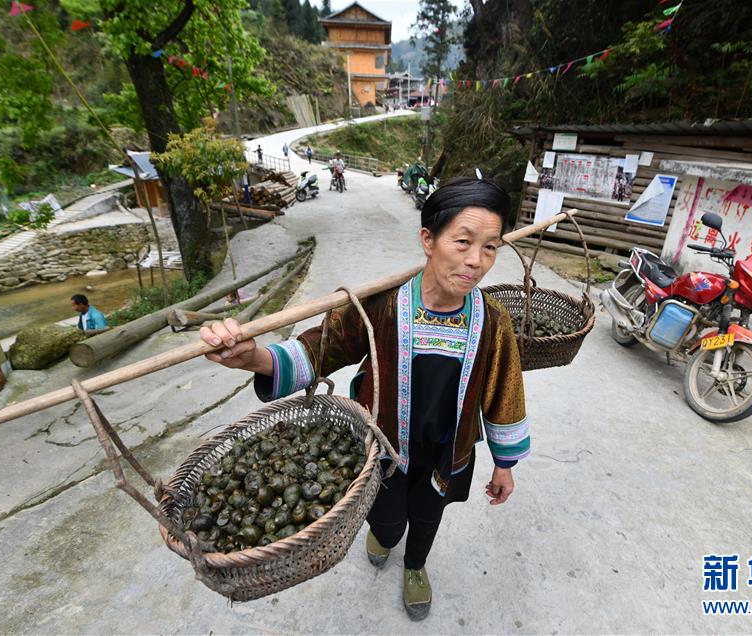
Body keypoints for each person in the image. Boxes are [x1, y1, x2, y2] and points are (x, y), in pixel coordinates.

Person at [200, 176, 528, 621]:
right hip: (384, 449)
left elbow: (504, 392)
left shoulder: (493, 321)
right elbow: (320, 348)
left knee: (428, 518)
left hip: (446, 454)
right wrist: (253, 357)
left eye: (490, 247)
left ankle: (415, 566)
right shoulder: (381, 305)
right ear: (428, 240)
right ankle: (388, 537)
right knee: (386, 521)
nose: (476, 261)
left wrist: (505, 464)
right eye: (463, 241)